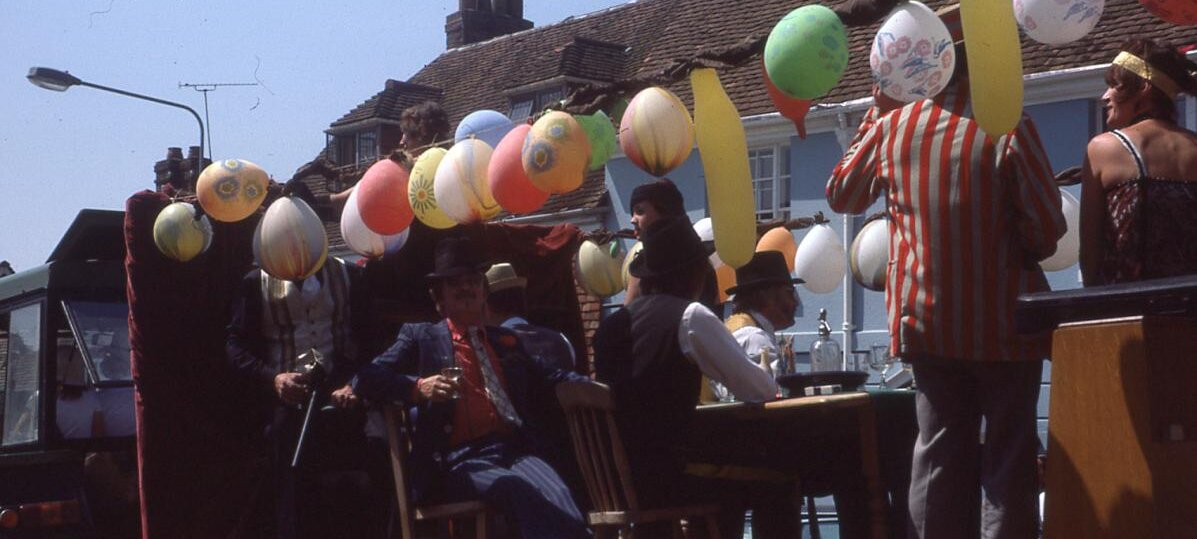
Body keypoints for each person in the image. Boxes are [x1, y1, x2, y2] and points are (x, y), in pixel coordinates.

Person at [826, 5, 1066, 538]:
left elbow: (843, 193)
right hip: (1004, 323)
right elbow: (1048, 230)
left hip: (926, 322)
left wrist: (877, 108)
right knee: (1008, 455)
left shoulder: (892, 128)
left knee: (937, 453)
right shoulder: (1007, 124)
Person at [351, 237, 590, 539]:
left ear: (484, 292)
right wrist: (417, 387)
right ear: (439, 297)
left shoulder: (504, 341)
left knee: (559, 493)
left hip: (513, 450)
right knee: (517, 490)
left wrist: (601, 388)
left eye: (473, 281)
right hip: (457, 460)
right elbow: (365, 377)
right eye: (455, 283)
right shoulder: (422, 337)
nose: (466, 288)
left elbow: (551, 376)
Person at [593, 216, 795, 538]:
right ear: (696, 273)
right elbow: (762, 390)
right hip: (669, 477)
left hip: (616, 481)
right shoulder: (689, 316)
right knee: (780, 480)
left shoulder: (610, 327)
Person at [226, 252, 386, 539]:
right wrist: (273, 378)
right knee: (288, 464)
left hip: (342, 389)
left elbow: (371, 339)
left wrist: (354, 383)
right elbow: (235, 347)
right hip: (289, 398)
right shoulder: (254, 282)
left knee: (375, 449)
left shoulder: (349, 274)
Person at [1079, 38, 1197, 286]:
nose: (1105, 96)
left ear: (1143, 87)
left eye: (1114, 85)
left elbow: (1090, 255)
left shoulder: (1104, 149)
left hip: (1130, 303)